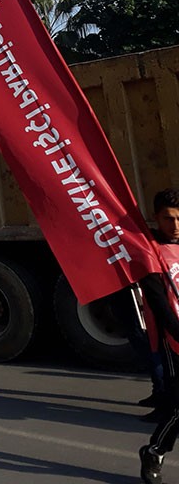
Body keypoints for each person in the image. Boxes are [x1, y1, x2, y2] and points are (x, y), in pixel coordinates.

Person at [139, 188, 179, 483]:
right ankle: (154, 452)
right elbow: (158, 303)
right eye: (168, 219)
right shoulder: (150, 251)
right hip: (173, 339)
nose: (175, 226)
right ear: (157, 218)